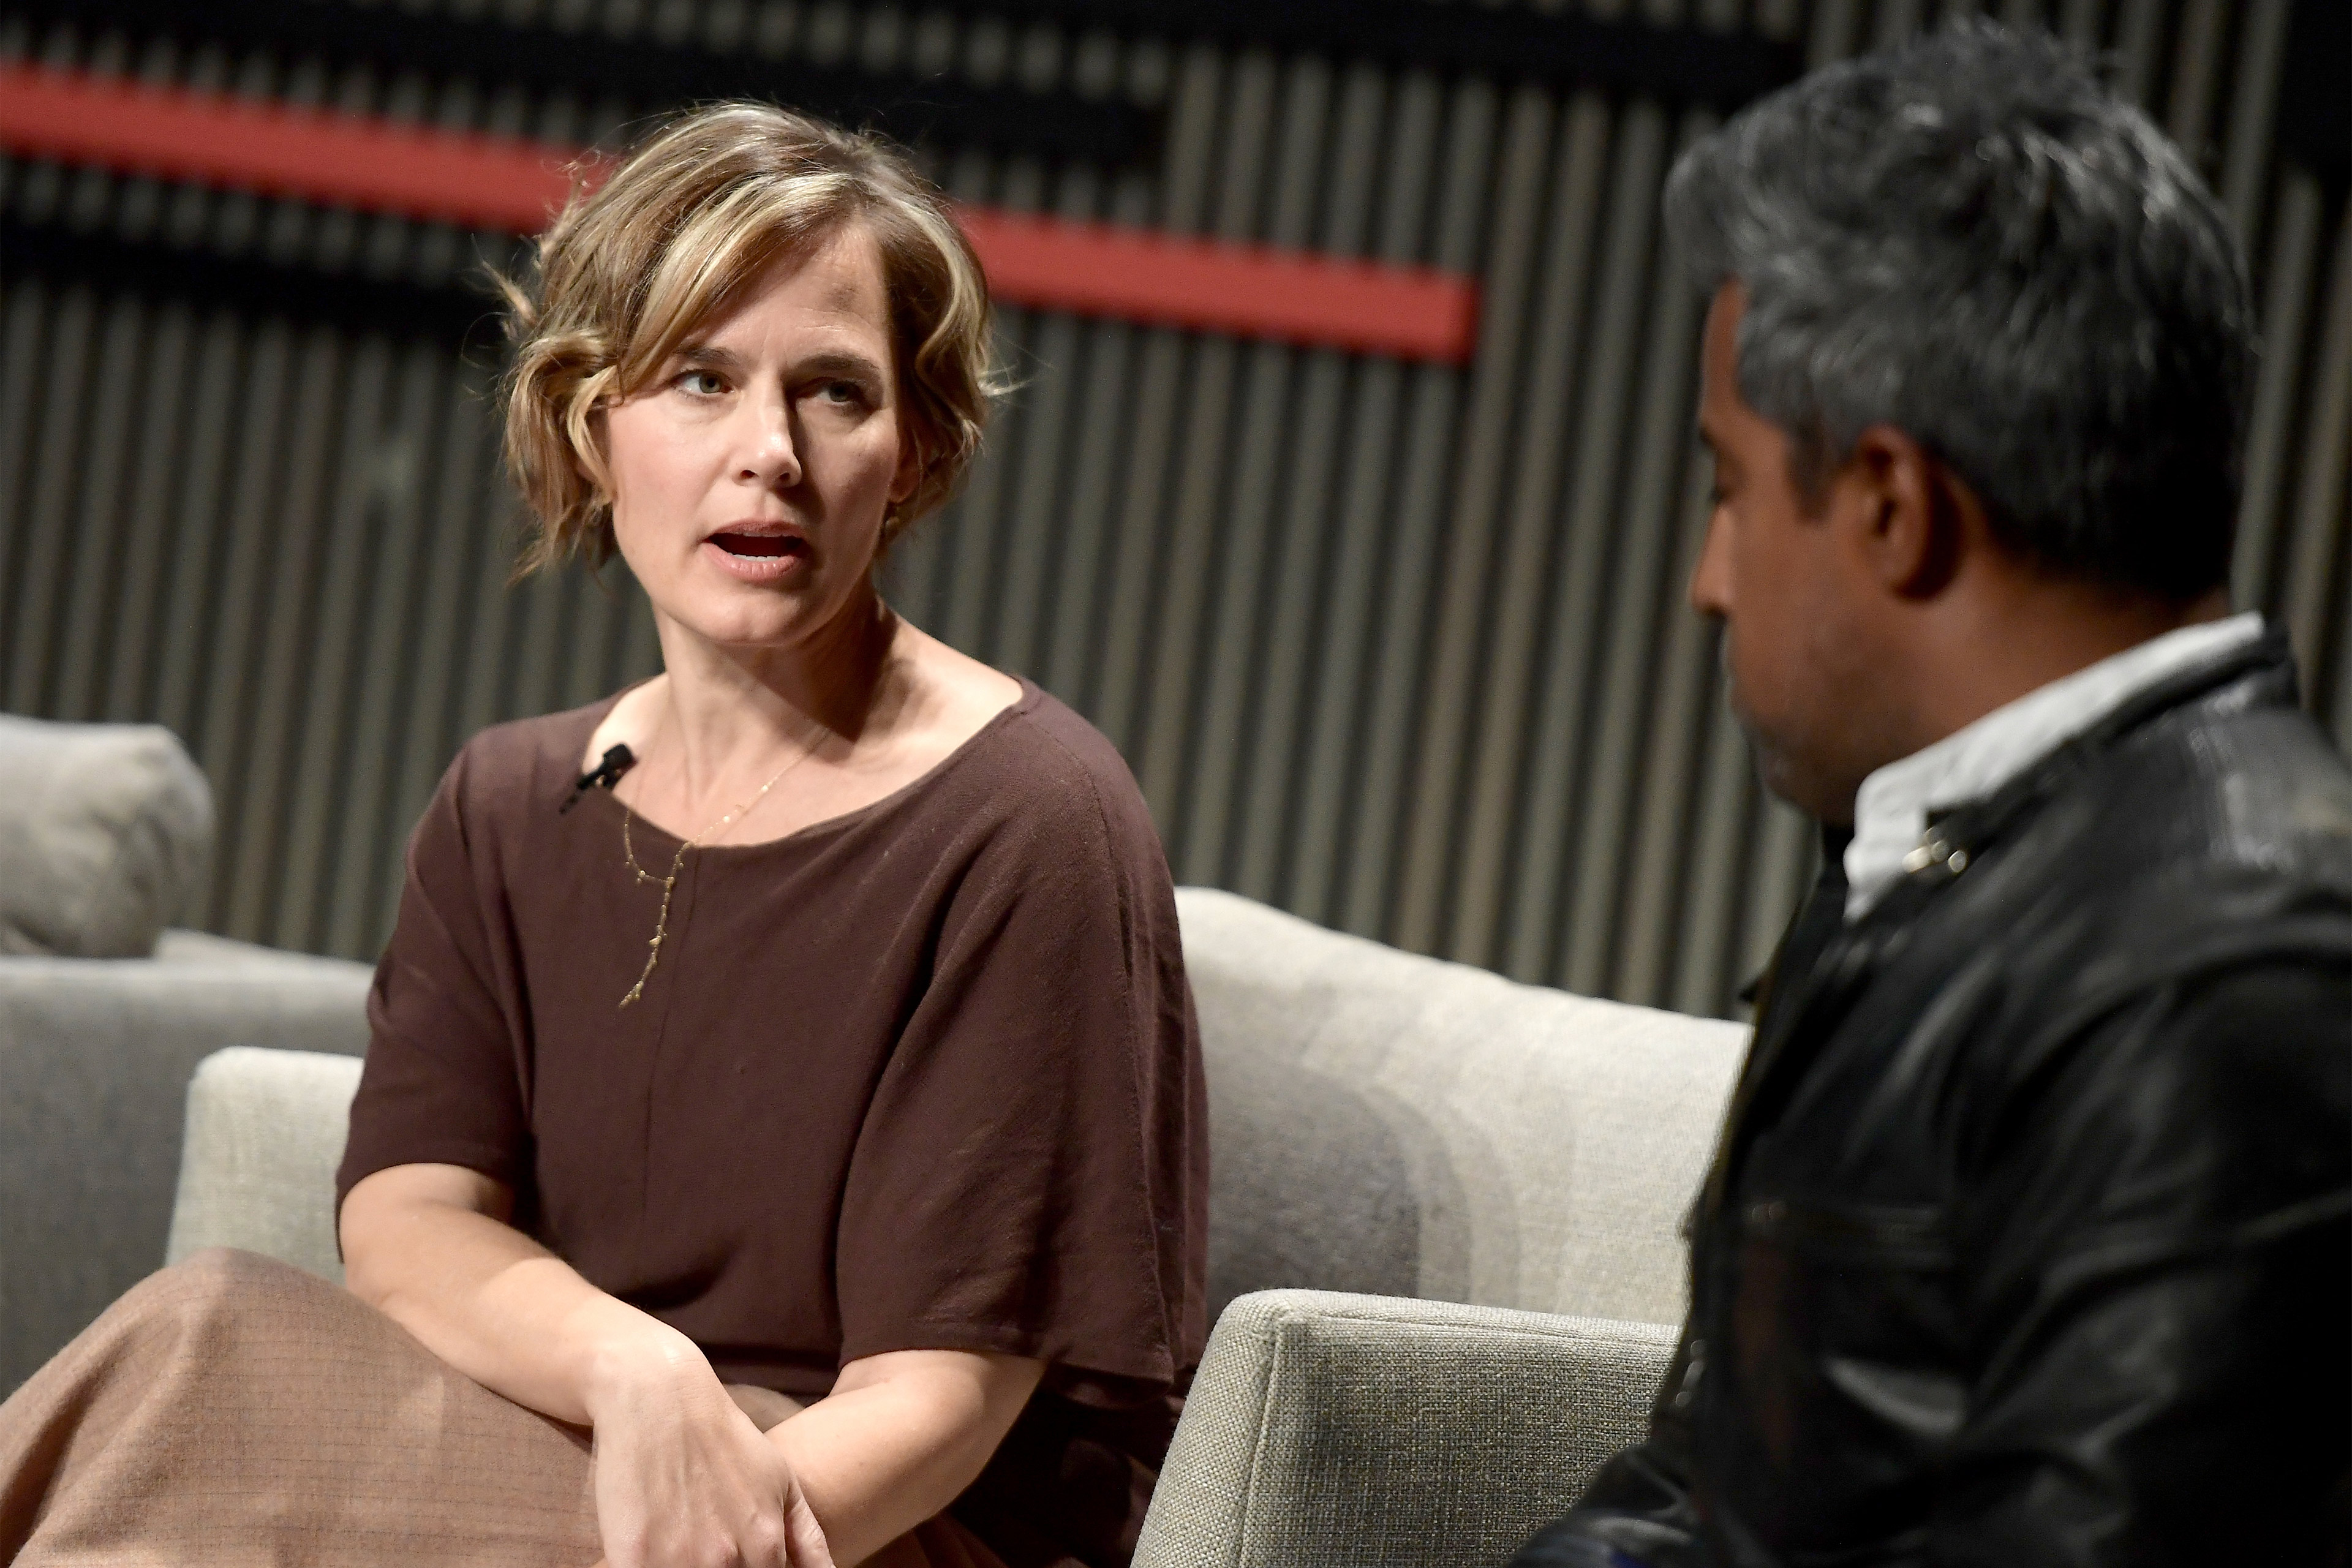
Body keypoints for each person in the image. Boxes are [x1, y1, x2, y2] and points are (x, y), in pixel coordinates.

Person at [0, 104, 1207, 1568]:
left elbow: (940, 1394)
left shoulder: (1031, 818)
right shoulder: (509, 802)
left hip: (842, 1524)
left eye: (834, 392)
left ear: (915, 448)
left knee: (190, 1398)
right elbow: (409, 1218)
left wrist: (695, 1511)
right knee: (200, 1349)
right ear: (594, 422)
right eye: (701, 379)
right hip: (576, 1447)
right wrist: (637, 1372)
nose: (769, 451)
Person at [1513, 23, 2350, 1568]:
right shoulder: (1928, 860)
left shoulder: (2236, 963)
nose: (1708, 580)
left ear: (1895, 506)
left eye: (1731, 488)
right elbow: (1706, 1489)